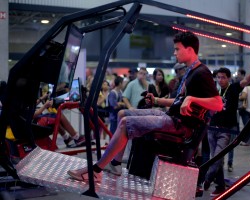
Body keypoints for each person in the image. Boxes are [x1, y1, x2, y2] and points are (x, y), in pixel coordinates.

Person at [67, 31, 223, 181]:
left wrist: (191, 99)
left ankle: (96, 171)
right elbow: (179, 101)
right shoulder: (191, 71)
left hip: (182, 126)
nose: (174, 53)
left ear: (189, 49)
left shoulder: (202, 72)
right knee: (123, 114)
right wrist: (156, 100)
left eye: (177, 49)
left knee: (125, 123)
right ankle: (115, 164)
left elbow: (218, 103)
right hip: (172, 117)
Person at [203, 64, 250, 197]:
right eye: (218, 77)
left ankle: (208, 178)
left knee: (217, 158)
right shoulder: (215, 90)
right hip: (212, 129)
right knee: (216, 159)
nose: (220, 80)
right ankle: (220, 186)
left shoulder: (233, 88)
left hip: (226, 130)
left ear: (228, 78)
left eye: (223, 77)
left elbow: (246, 81)